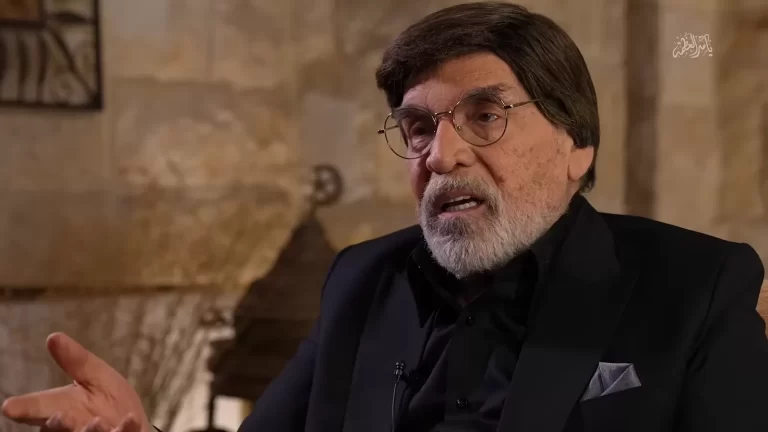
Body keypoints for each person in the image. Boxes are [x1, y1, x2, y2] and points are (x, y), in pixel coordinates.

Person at [3, 2, 768, 432]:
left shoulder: (695, 288)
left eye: (485, 115)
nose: (441, 154)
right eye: (418, 128)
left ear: (577, 143)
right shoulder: (361, 280)